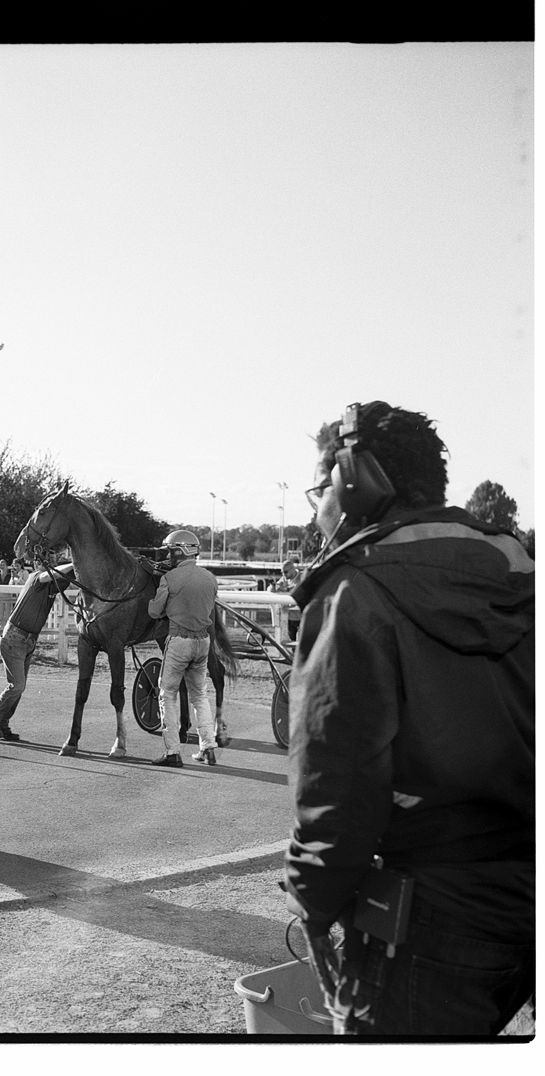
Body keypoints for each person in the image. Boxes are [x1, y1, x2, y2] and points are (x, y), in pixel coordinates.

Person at [284, 400, 534, 1037]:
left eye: (319, 490)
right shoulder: (521, 571)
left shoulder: (355, 593)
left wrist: (312, 901)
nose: (317, 513)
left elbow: (336, 791)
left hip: (429, 917)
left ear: (352, 481)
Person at [146, 530, 220, 768]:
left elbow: (154, 612)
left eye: (170, 551)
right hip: (203, 642)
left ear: (180, 551)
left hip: (179, 642)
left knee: (166, 694)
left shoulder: (170, 579)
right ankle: (208, 748)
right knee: (200, 695)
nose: (168, 556)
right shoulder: (210, 578)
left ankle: (172, 752)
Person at [0, 552, 75, 741]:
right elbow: (49, 574)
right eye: (46, 560)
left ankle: (3, 723)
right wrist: (75, 562)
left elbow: (71, 578)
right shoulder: (36, 578)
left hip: (26, 641)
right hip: (14, 639)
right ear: (35, 563)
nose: (50, 563)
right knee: (17, 685)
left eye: (52, 560)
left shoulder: (51, 585)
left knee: (18, 687)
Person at [267, 558, 302, 642]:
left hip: (302, 617)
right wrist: (273, 587)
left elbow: (298, 590)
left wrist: (285, 589)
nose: (283, 574)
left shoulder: (302, 577)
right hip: (289, 617)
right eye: (282, 572)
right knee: (291, 644)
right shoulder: (284, 579)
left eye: (285, 572)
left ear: (293, 570)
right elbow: (270, 590)